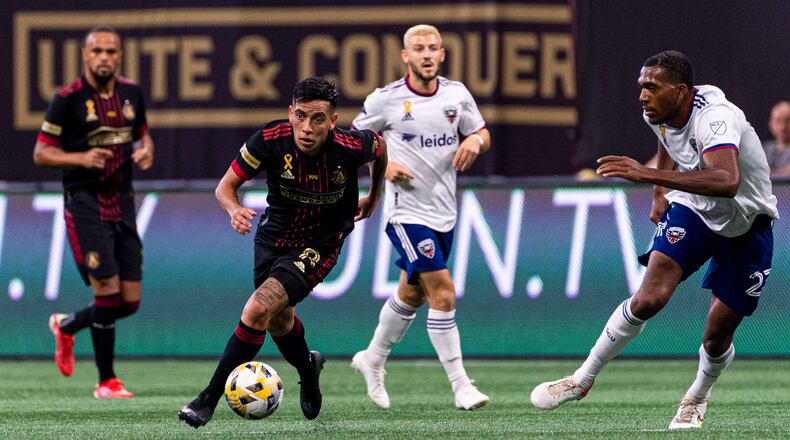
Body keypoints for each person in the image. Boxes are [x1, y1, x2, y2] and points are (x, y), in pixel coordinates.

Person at [530, 50, 778, 430]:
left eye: (652, 87)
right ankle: (581, 378)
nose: (643, 95)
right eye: (641, 86)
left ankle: (696, 397)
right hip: (693, 210)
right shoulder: (659, 111)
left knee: (716, 336)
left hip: (747, 223)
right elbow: (667, 140)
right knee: (649, 297)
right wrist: (660, 190)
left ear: (681, 92)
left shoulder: (715, 118)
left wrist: (647, 175)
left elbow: (727, 181)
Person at [178, 77, 387, 428]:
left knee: (258, 307)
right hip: (273, 240)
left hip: (321, 242)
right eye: (301, 116)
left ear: (332, 121)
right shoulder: (269, 140)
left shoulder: (351, 145)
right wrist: (233, 210)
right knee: (279, 319)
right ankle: (308, 367)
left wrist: (373, 196)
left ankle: (207, 399)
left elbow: (380, 150)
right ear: (290, 113)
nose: (307, 128)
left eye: (318, 119)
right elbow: (225, 188)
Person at [349, 24, 491, 411]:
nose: (426, 54)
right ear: (405, 56)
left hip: (444, 210)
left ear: (442, 54)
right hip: (404, 211)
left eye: (433, 48)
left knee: (411, 293)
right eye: (418, 48)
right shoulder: (386, 100)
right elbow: (351, 143)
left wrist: (474, 141)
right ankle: (461, 385)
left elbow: (481, 131)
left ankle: (373, 358)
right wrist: (387, 163)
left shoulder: (456, 94)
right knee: (442, 290)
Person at [35, 25, 155, 399]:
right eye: (97, 51)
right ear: (85, 55)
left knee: (129, 302)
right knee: (107, 291)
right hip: (85, 202)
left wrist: (146, 150)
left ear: (120, 55)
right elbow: (41, 153)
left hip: (122, 201)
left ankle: (67, 325)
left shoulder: (132, 93)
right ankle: (107, 381)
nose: (104, 57)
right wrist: (81, 157)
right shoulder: (68, 99)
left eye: (111, 51)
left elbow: (143, 135)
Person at [763, 100, 790, 177]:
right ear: (771, 123)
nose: (782, 127)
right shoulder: (764, 150)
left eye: (787, 121)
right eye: (778, 121)